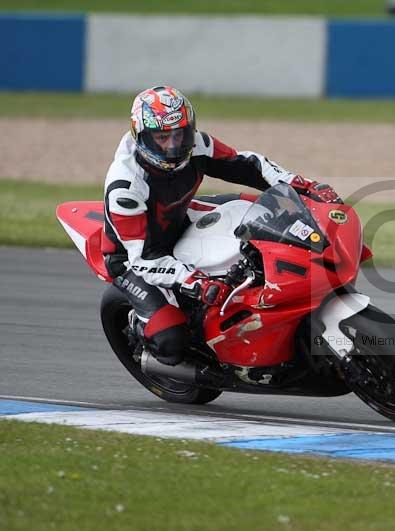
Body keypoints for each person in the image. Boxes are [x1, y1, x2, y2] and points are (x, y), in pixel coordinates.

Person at [102, 85, 340, 365]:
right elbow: (143, 258)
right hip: (136, 257)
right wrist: (193, 281)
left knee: (269, 217)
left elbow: (248, 164)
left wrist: (302, 185)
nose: (173, 146)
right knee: (170, 339)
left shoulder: (196, 146)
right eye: (162, 138)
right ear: (141, 137)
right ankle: (150, 335)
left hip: (180, 217)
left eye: (180, 135)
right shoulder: (126, 188)